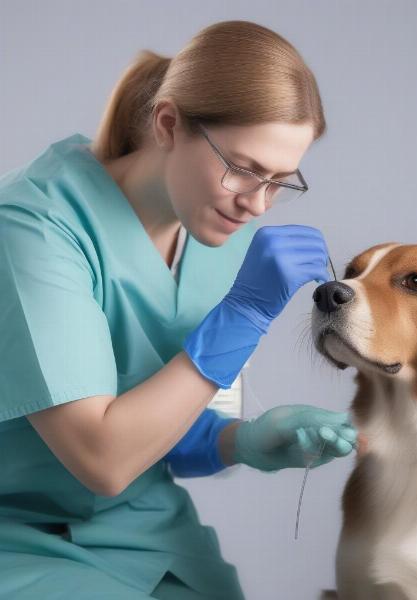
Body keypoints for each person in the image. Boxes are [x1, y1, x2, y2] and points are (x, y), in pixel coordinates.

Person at [0, 20, 358, 599]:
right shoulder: (32, 228)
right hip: (18, 533)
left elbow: (167, 431)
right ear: (168, 125)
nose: (257, 204)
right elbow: (105, 459)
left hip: (147, 531)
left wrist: (241, 441)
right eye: (243, 168)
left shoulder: (218, 234)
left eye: (280, 181)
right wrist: (243, 314)